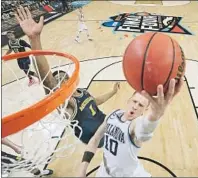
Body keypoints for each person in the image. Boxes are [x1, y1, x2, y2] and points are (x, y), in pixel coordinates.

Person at [15, 6, 120, 148]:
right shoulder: (67, 102)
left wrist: (113, 92)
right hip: (96, 138)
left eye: (63, 78)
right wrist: (34, 39)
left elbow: (95, 101)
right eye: (58, 81)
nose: (61, 82)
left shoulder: (82, 92)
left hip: (106, 124)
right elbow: (48, 80)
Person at [78, 78, 184, 177]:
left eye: (141, 105)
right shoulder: (113, 115)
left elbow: (144, 131)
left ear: (145, 110)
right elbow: (96, 138)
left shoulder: (135, 125)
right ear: (128, 101)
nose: (135, 106)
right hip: (105, 172)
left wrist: (155, 116)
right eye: (134, 101)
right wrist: (82, 169)